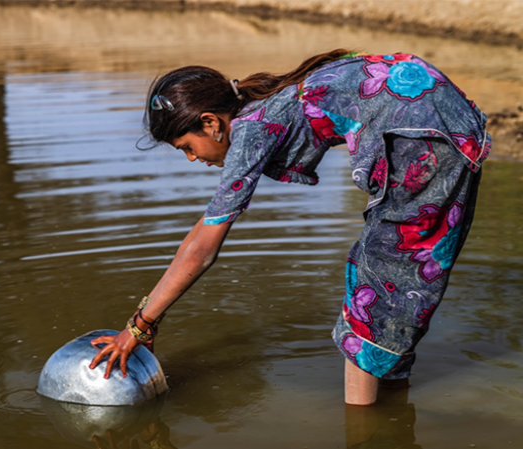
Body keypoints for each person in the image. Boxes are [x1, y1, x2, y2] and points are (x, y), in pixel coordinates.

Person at [88, 49, 490, 406]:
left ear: (211, 122)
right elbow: (202, 230)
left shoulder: (250, 128)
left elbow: (203, 247)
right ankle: (392, 406)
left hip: (422, 134)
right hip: (444, 121)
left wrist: (139, 327)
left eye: (187, 147)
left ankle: (363, 427)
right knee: (406, 277)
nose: (193, 159)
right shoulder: (267, 105)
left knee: (377, 284)